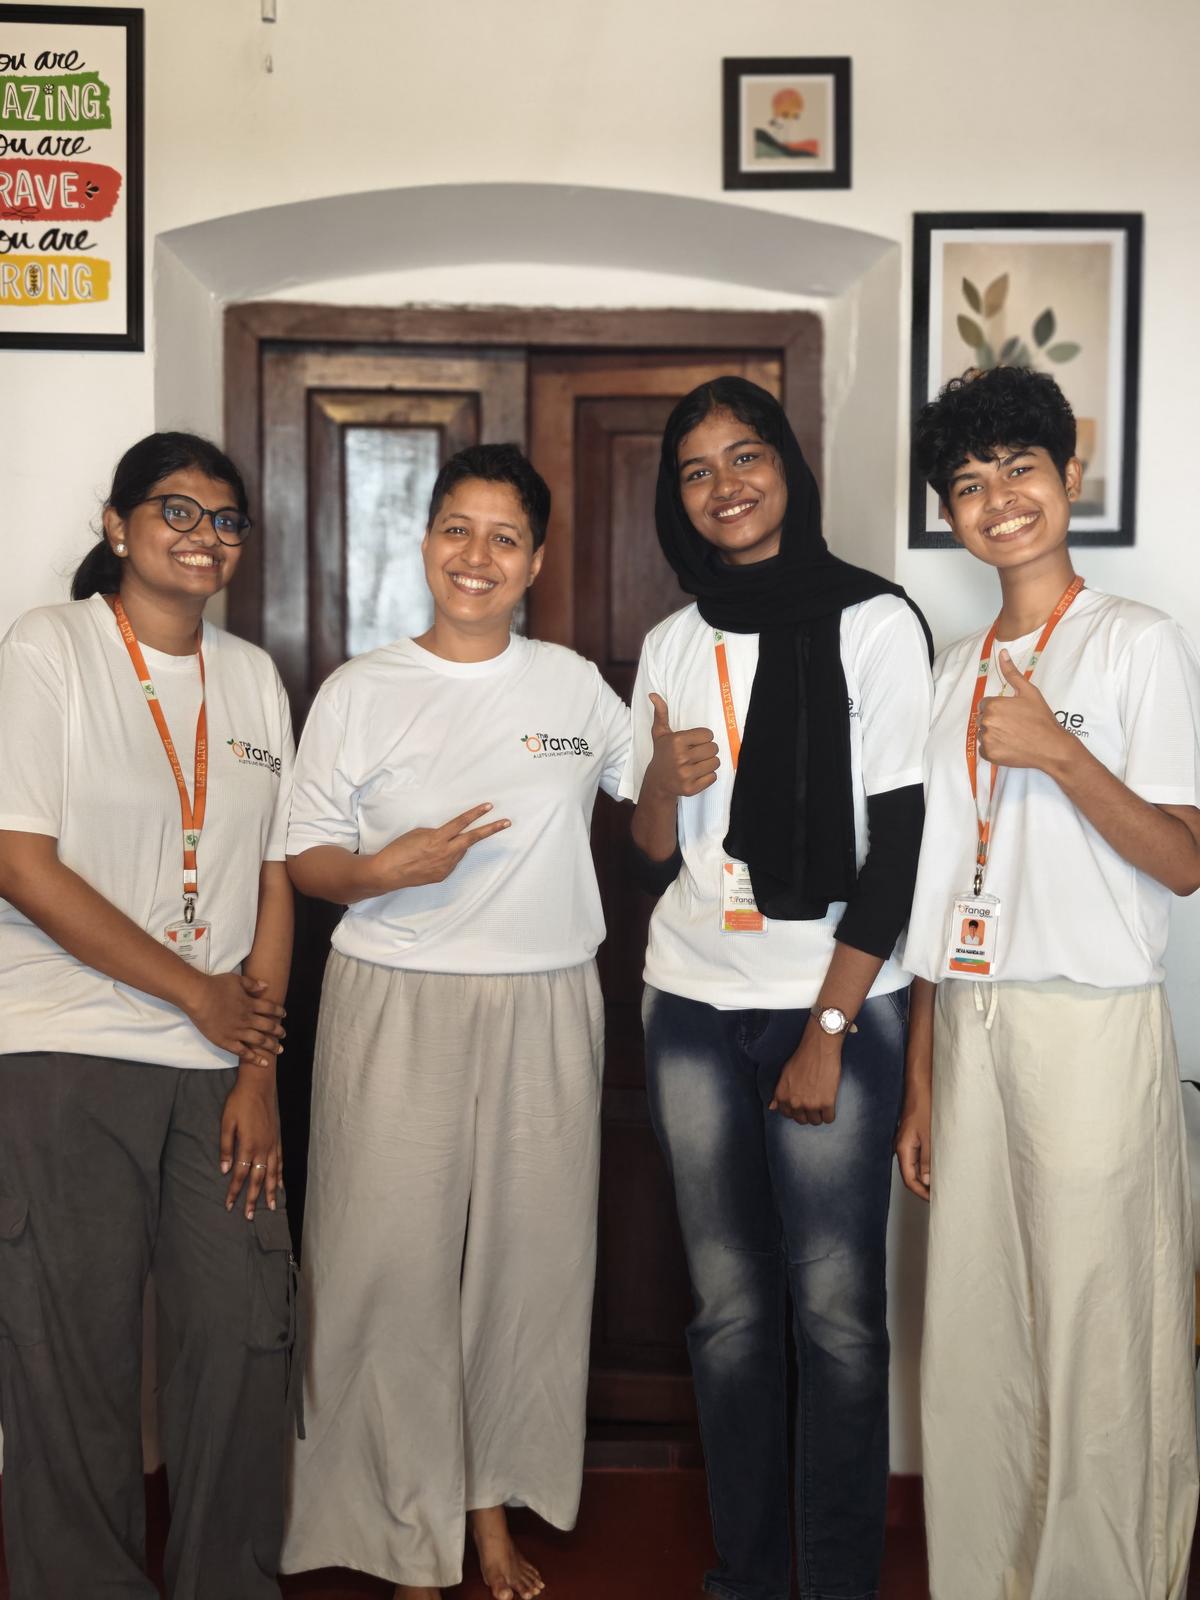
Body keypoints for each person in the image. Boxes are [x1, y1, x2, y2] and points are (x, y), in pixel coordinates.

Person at [281, 443, 631, 1600]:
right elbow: (306, 858)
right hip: (394, 1001)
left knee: (524, 1273)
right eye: (455, 529)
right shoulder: (358, 689)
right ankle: (403, 1531)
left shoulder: (577, 688)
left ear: (534, 559)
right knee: (387, 1266)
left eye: (503, 537)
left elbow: (656, 809)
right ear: (424, 539)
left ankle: (486, 1512)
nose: (475, 556)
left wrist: (676, 775)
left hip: (546, 1001)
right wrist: (384, 868)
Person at [620, 376, 933, 1600]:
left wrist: (830, 1027)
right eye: (697, 471)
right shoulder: (672, 639)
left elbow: (901, 847)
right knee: (732, 1313)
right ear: (677, 497)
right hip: (691, 998)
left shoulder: (873, 621)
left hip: (831, 1002)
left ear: (787, 469)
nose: (725, 486)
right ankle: (749, 1576)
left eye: (745, 457)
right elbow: (654, 848)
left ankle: (837, 1582)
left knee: (839, 1318)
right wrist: (658, 779)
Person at [896, 365, 1200, 1600]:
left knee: (1100, 1337)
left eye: (1020, 467)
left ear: (1071, 478)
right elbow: (931, 894)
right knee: (978, 1336)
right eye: (968, 483)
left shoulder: (1136, 642)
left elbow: (1183, 860)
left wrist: (1061, 755)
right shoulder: (953, 665)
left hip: (1090, 1025)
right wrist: (921, 1081)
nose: (998, 498)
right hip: (971, 1022)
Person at [0, 433, 297, 1600]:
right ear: (117, 524)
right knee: (74, 1359)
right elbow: (21, 864)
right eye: (176, 510)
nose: (204, 535)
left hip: (222, 1064)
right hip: (66, 1051)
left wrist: (257, 1072)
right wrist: (195, 993)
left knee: (239, 1344)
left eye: (227, 520)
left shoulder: (257, 676)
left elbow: (270, 877)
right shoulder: (49, 650)